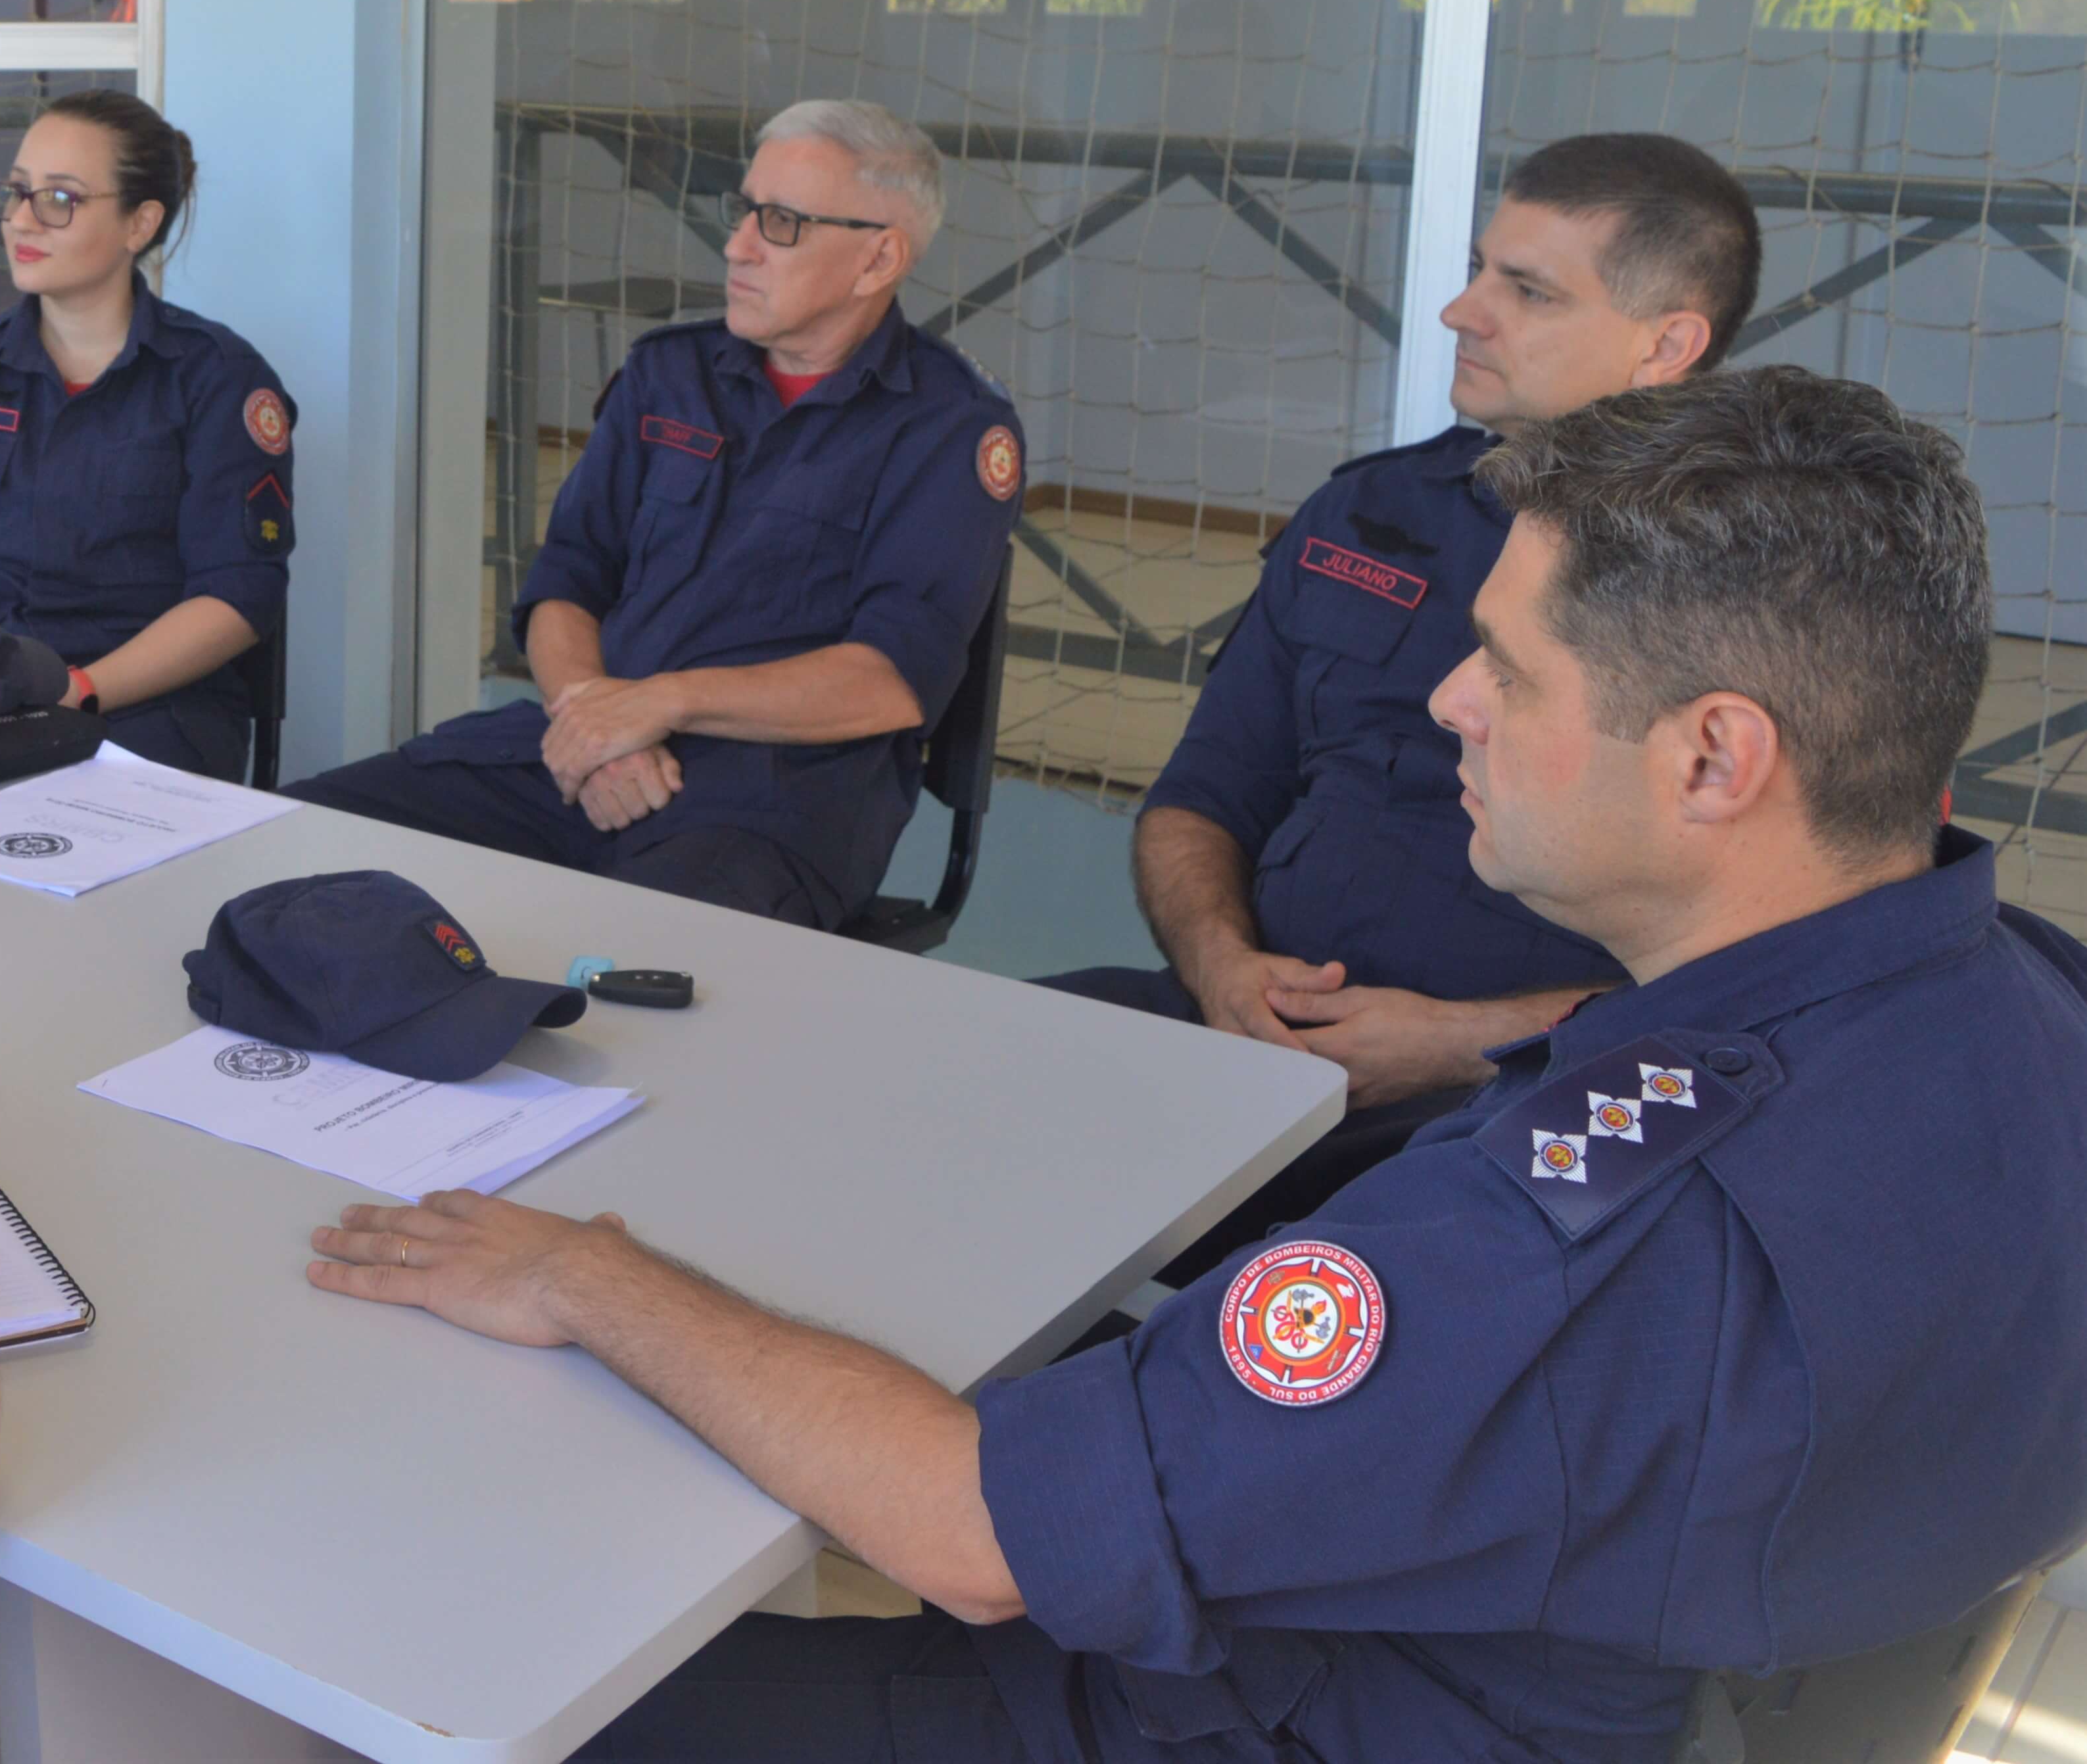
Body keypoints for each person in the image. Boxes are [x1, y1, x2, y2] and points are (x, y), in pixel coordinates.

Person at [308, 368, 2087, 1763]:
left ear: (1713, 759)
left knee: (468, 1690)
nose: (1449, 704)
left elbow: (971, 1536)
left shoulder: (1550, 1243)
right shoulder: (2028, 995)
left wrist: (581, 1273)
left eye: (1506, 669)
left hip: (1328, 1717)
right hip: (1649, 1660)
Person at [1039, 133, 1758, 1256]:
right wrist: (1222, 969)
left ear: (1665, 343)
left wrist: (1468, 1043)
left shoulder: (1761, 587)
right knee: (950, 1071)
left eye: (1526, 291)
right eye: (1478, 271)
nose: (1460, 312)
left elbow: (1768, 974)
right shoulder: (1368, 516)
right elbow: (1202, 797)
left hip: (1513, 1099)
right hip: (1241, 1035)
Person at [286, 99, 1018, 928]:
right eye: (743, 210)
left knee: (623, 963)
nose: (738, 246)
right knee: (281, 839)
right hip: (573, 761)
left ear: (879, 257)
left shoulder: (948, 428)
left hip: (766, 805)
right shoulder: (669, 374)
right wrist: (596, 723)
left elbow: (889, 682)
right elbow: (567, 580)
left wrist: (659, 703)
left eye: (781, 223)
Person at [0, 89, 293, 781]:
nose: (21, 220)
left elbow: (237, 595)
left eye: (60, 198)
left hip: (140, 709)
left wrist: (77, 692)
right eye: (16, 191)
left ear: (139, 223)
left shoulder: (218, 379)